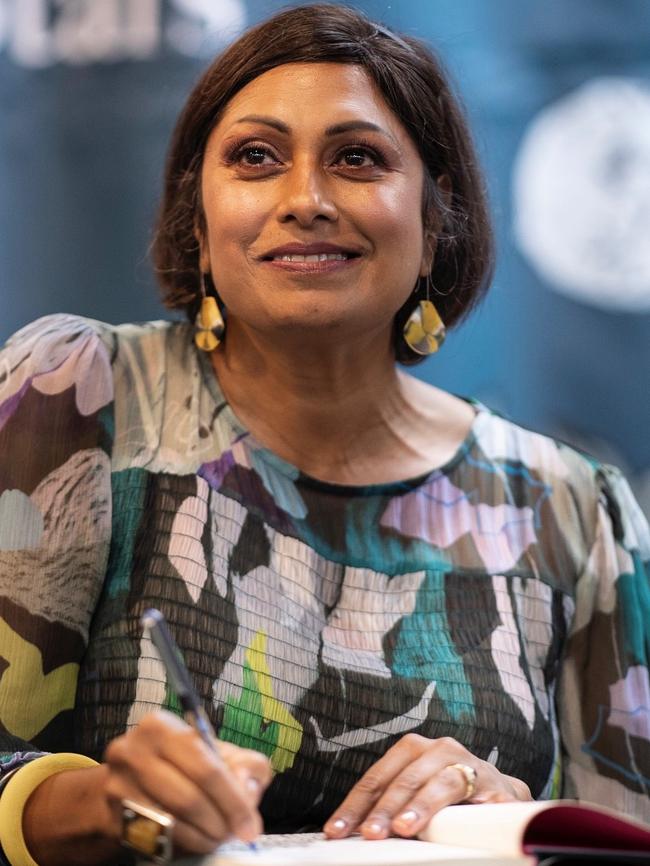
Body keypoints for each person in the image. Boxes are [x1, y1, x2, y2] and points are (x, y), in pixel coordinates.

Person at [0, 3, 648, 864]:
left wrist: (508, 813)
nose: (305, 199)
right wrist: (107, 805)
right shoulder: (76, 396)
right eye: (256, 158)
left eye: (357, 158)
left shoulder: (571, 510)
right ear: (198, 222)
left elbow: (626, 843)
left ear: (434, 221)